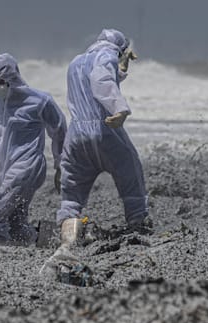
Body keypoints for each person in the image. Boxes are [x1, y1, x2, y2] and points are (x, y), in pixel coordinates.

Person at [52, 28, 151, 264]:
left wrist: (124, 63)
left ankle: (67, 243)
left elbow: (110, 74)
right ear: (117, 48)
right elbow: (102, 79)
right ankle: (137, 227)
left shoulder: (76, 62)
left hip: (76, 136)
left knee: (72, 195)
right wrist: (120, 108)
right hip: (104, 129)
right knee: (131, 174)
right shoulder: (106, 55)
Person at [0, 53, 67, 246]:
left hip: (28, 166)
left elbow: (59, 131)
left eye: (1, 80)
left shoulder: (39, 100)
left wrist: (60, 166)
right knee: (15, 222)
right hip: (5, 167)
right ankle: (46, 240)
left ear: (13, 78)